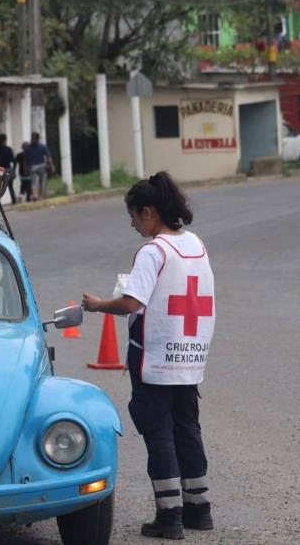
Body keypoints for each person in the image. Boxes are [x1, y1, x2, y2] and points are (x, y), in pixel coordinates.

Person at [81, 171, 215, 540]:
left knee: (158, 433)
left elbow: (131, 303)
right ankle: (198, 509)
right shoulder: (195, 245)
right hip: (189, 357)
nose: (132, 223)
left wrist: (96, 306)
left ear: (149, 212)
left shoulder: (153, 251)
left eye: (134, 215)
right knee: (188, 429)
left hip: (155, 358)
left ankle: (169, 516)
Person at [24, 132, 55, 201]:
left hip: (32, 167)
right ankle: (41, 196)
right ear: (38, 138)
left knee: (33, 182)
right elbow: (49, 157)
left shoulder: (28, 148)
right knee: (42, 181)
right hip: (42, 166)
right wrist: (52, 166)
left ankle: (35, 195)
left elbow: (25, 159)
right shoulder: (43, 147)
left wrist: (25, 168)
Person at [0, 134, 16, 204]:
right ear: (4, 140)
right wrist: (14, 168)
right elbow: (13, 160)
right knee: (10, 186)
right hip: (7, 169)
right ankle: (14, 200)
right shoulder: (8, 149)